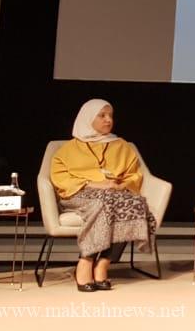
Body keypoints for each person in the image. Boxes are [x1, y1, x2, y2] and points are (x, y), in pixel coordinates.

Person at [49, 99, 157, 292]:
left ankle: (104, 263)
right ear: (87, 118)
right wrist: (95, 184)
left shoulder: (121, 145)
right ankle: (86, 260)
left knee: (134, 202)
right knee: (104, 202)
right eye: (102, 116)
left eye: (110, 116)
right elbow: (60, 178)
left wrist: (121, 185)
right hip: (79, 193)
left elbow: (134, 174)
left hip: (113, 193)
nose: (108, 120)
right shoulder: (68, 149)